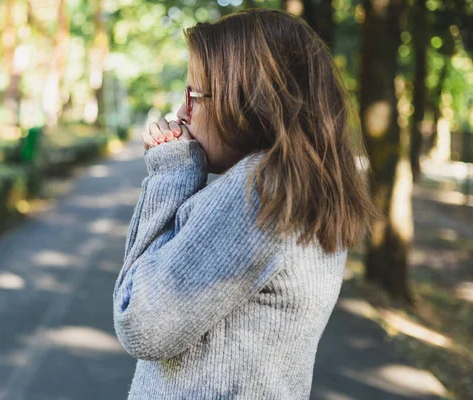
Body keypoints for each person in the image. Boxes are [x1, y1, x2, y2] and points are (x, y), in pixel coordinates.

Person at [112, 8, 378, 400]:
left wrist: (170, 175)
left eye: (194, 95)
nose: (181, 113)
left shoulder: (260, 191)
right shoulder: (301, 184)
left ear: (247, 99)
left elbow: (139, 319)